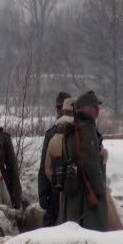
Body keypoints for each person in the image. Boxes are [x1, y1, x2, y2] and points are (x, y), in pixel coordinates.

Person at [53, 91, 110, 231]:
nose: (98, 110)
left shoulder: (71, 129)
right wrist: (101, 191)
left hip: (73, 196)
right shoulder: (87, 129)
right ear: (87, 108)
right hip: (86, 200)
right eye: (95, 107)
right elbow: (91, 164)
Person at [38, 91, 71, 226]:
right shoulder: (51, 133)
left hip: (74, 191)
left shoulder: (79, 130)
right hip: (55, 189)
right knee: (49, 226)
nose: (60, 111)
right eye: (58, 108)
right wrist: (43, 193)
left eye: (63, 108)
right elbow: (43, 166)